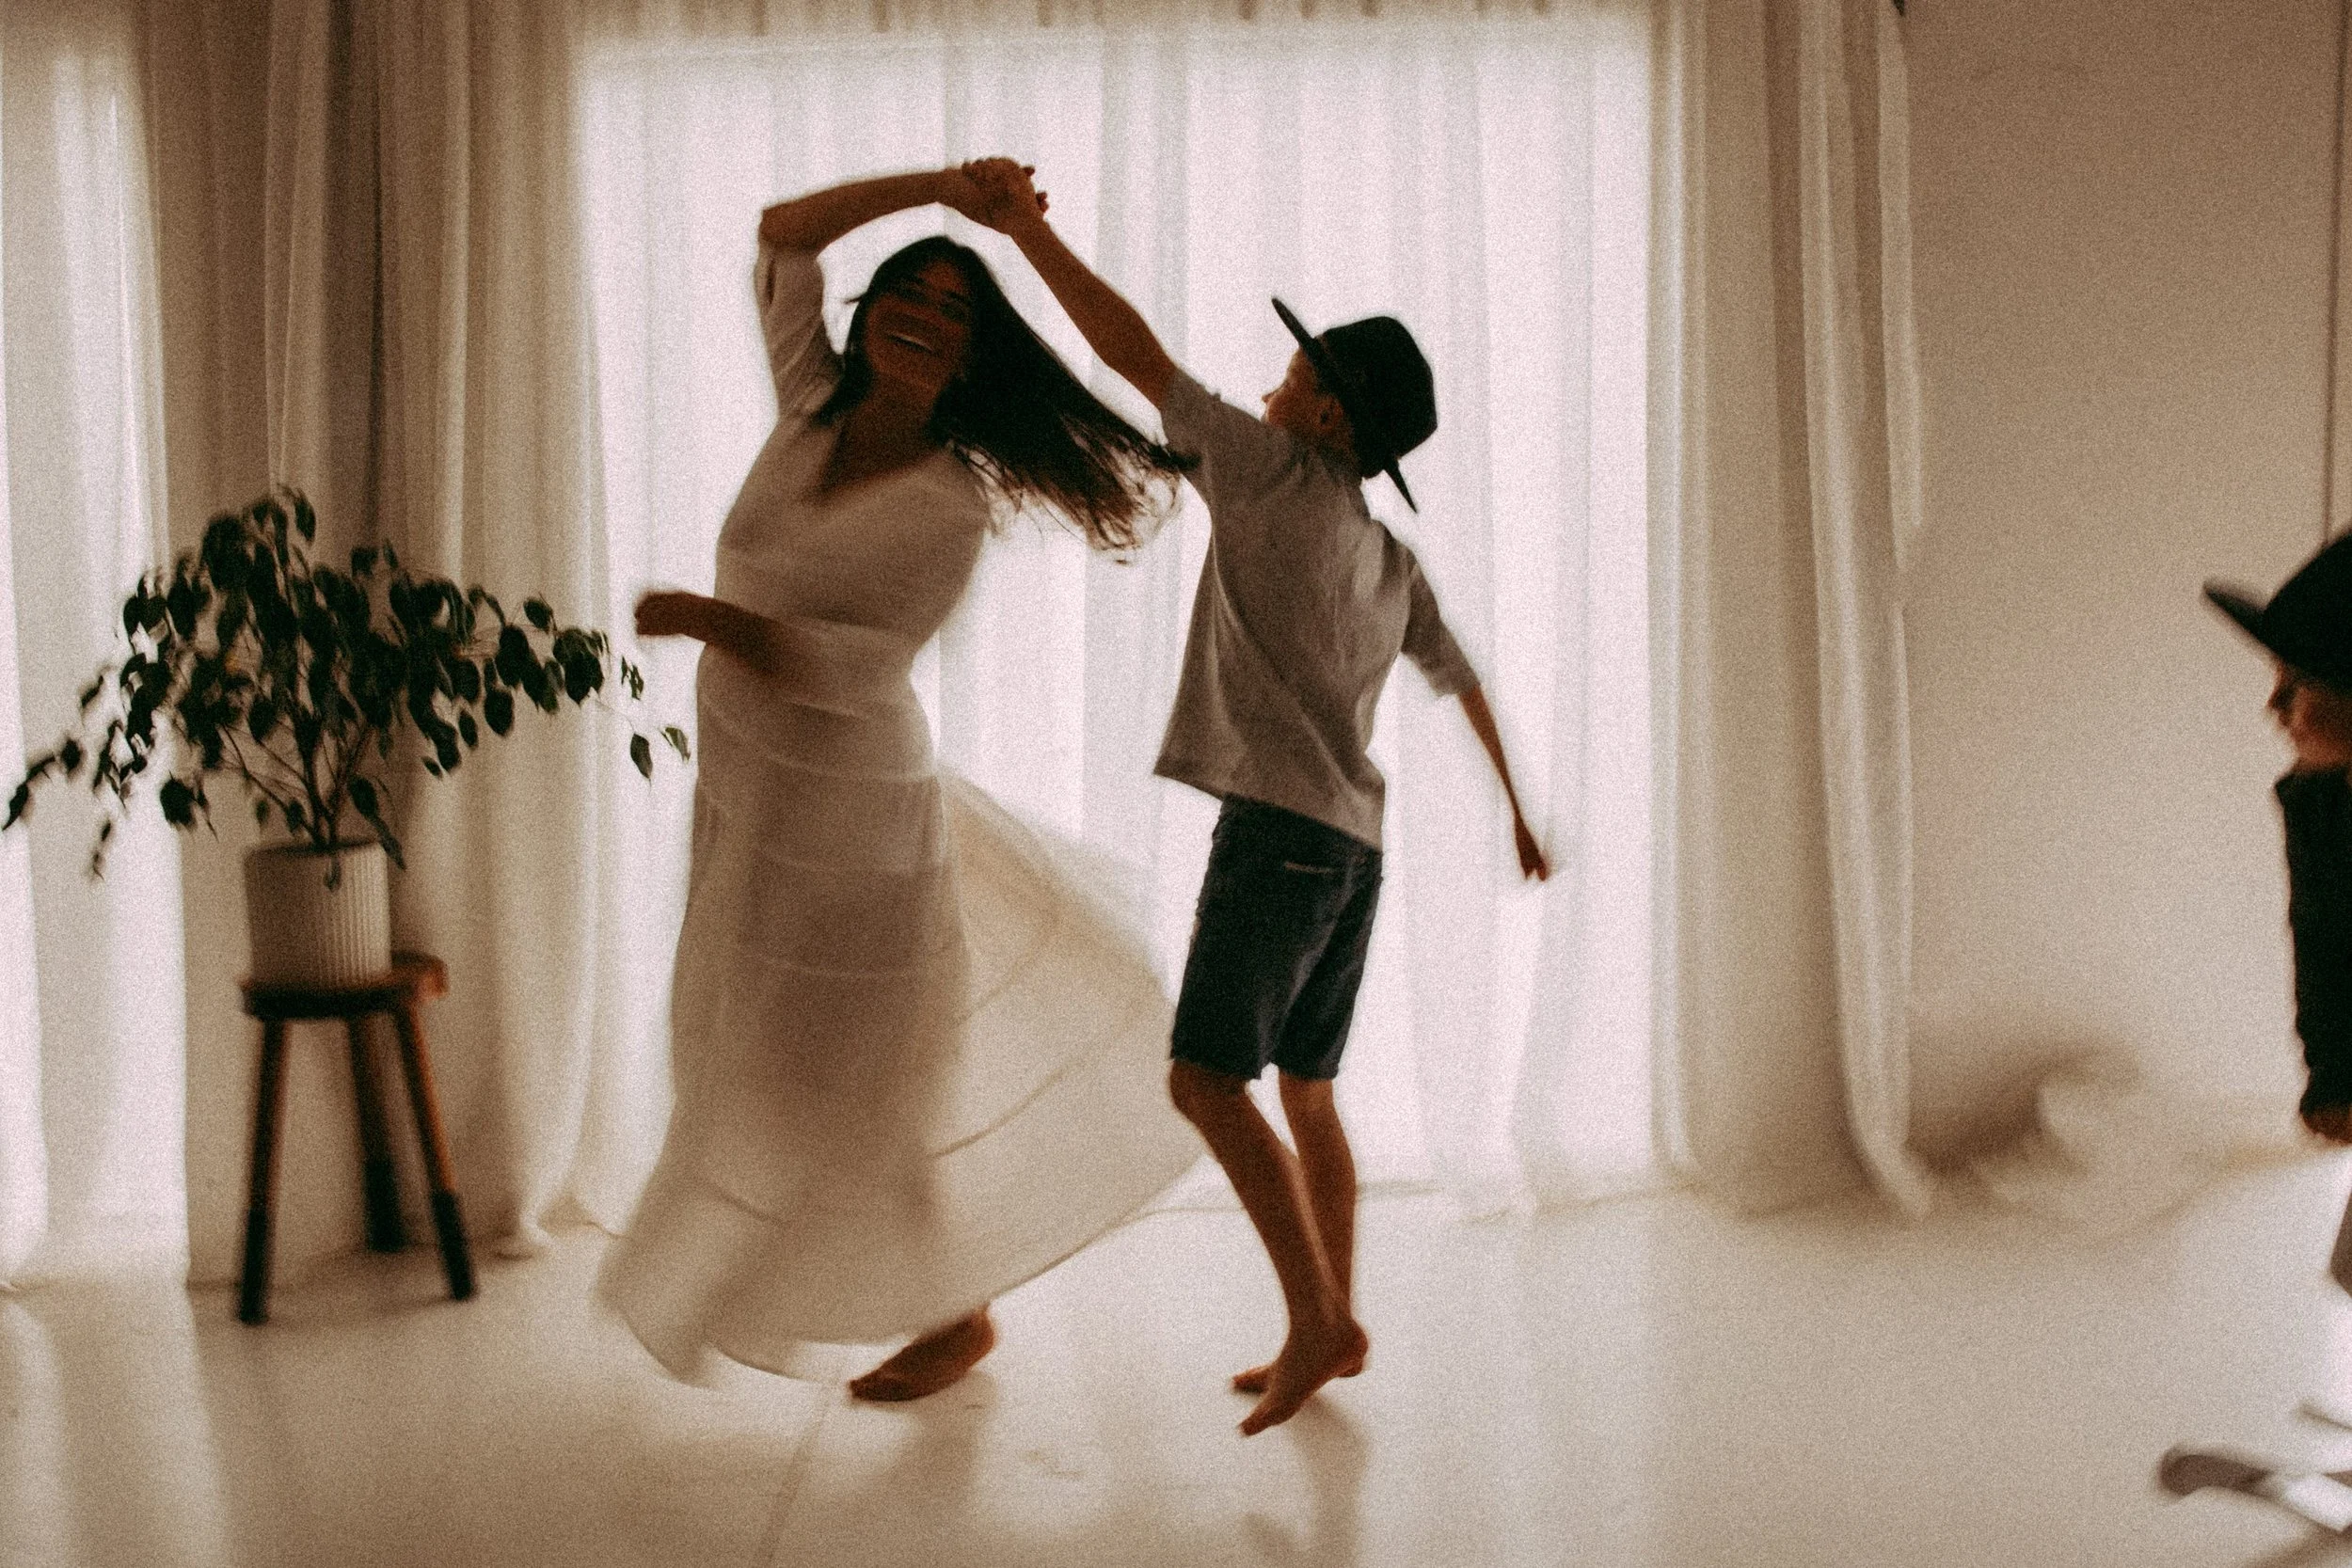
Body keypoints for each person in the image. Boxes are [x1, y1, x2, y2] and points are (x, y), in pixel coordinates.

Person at [961, 158, 1550, 1435]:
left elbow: (1132, 350)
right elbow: (1464, 682)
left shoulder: (1266, 467)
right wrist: (1517, 809)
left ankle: (1315, 1320)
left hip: (1280, 836)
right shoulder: (1392, 553)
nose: (1273, 381)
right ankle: (1333, 1322)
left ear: (1330, 420)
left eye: (1299, 374)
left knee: (1204, 1079)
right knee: (1310, 1093)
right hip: (1356, 848)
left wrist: (1025, 236)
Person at [597, 166, 1202, 1404]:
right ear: (873, 314)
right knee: (768, 1051)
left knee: (851, 1060)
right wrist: (945, 189)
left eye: (954, 309)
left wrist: (719, 618)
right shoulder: (810, 408)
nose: (923, 314)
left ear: (973, 357)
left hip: (856, 813)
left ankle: (916, 1306)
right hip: (754, 800)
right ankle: (911, 1300)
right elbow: (780, 235)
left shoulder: (950, 501)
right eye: (908, 295)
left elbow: (869, 664)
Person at [2205, 531, 2352, 1144]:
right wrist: (2334, 1078)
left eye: (2297, 684)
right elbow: (2322, 941)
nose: (2274, 708)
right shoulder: (2320, 800)